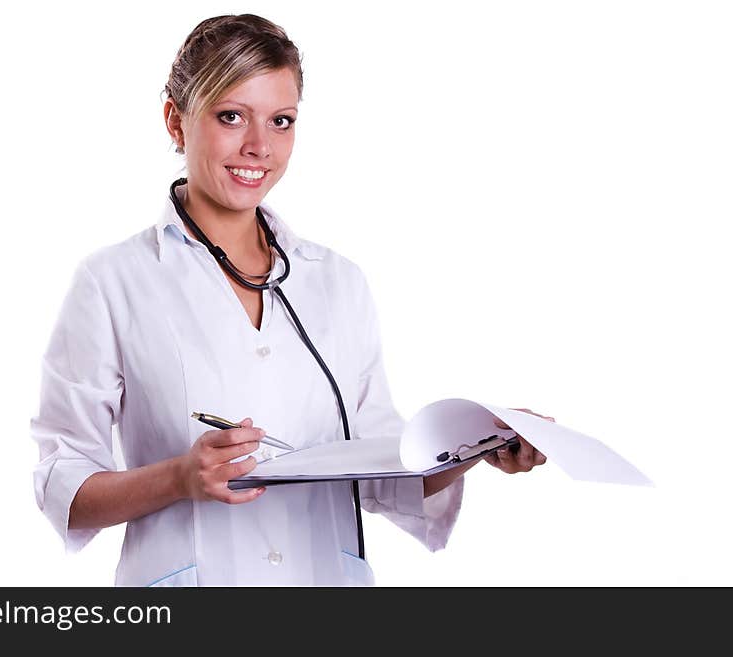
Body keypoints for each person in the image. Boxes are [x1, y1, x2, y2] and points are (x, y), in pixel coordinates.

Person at [30, 13, 551, 587]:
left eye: (281, 121)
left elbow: (382, 471)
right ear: (176, 122)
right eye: (231, 116)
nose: (259, 146)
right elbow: (64, 484)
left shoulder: (337, 282)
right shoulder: (113, 281)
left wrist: (479, 442)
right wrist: (180, 477)